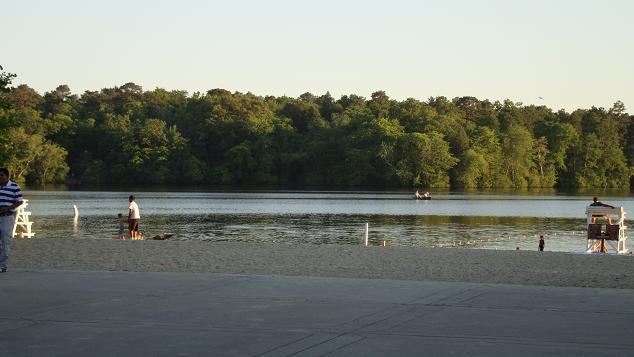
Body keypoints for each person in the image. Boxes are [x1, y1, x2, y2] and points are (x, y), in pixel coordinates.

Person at [0, 168, 24, 273]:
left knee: (6, 242)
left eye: (1, 175)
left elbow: (20, 201)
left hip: (7, 217)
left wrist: (8, 207)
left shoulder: (14, 187)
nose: (0, 177)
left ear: (7, 176)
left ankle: (3, 265)